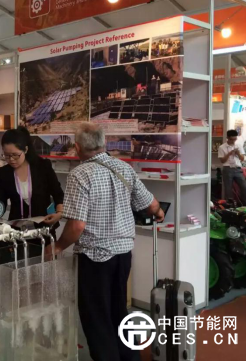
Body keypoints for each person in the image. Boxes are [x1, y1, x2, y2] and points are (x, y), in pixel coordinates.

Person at [48, 122, 164, 361]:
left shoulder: (80, 174)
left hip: (95, 258)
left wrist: (58, 246)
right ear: (104, 143)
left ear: (78, 147)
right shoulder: (123, 168)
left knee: (96, 318)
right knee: (118, 310)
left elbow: (77, 225)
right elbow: (151, 205)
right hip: (123, 255)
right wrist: (159, 212)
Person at [0, 127, 64, 246]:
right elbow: (2, 201)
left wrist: (59, 213)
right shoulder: (3, 173)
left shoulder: (43, 166)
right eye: (7, 155)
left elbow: (58, 193)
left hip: (43, 229)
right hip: (16, 232)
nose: (11, 159)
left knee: (45, 257)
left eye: (15, 155)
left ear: (25, 150)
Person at [218, 130, 246, 206]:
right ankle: (230, 207)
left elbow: (242, 159)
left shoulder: (238, 145)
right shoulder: (222, 147)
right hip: (227, 169)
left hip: (237, 169)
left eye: (235, 139)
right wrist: (229, 153)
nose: (233, 141)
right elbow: (222, 161)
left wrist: (238, 153)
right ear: (227, 138)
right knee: (228, 189)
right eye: (232, 139)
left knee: (245, 188)